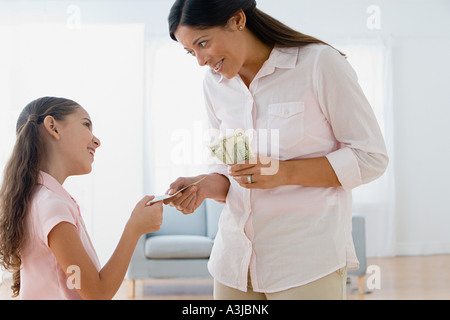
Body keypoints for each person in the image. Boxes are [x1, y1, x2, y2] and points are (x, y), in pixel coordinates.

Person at [165, 0, 389, 300]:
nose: (201, 61)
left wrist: (283, 172)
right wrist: (203, 186)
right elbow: (226, 169)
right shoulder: (215, 85)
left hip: (303, 263)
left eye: (203, 43)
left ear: (237, 20)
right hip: (233, 263)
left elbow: (371, 157)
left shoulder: (319, 64)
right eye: (191, 52)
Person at [0, 97, 163, 299]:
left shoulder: (40, 198)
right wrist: (134, 229)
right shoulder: (51, 206)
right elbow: (96, 293)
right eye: (86, 124)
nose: (97, 141)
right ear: (53, 127)